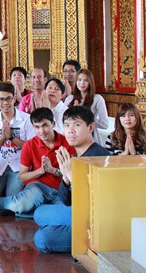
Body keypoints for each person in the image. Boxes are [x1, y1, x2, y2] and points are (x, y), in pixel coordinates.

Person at [33, 106, 110, 253]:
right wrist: (66, 178)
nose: (70, 130)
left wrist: (72, 178)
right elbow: (66, 200)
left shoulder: (100, 158)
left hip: (95, 223)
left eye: (77, 124)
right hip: (77, 212)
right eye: (67, 125)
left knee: (42, 239)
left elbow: (96, 205)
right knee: (39, 213)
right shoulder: (76, 156)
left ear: (90, 127)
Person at [0, 108, 75, 217]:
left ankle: (23, 212)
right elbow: (22, 177)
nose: (42, 131)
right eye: (37, 127)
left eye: (45, 125)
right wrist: (41, 171)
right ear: (33, 127)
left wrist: (53, 171)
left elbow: (73, 176)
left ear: (53, 124)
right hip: (38, 187)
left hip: (62, 189)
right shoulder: (29, 145)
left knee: (66, 213)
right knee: (18, 205)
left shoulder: (68, 143)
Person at [0, 82, 35, 200]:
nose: (5, 103)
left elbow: (31, 148)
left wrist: (12, 137)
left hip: (20, 165)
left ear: (14, 98)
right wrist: (2, 137)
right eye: (1, 99)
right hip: (0, 164)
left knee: (12, 198)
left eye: (8, 99)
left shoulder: (26, 119)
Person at [64, 69, 108, 145]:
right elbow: (64, 121)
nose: (82, 83)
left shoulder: (97, 99)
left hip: (90, 137)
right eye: (79, 80)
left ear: (90, 82)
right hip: (72, 137)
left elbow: (104, 124)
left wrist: (84, 116)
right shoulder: (69, 99)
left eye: (86, 80)